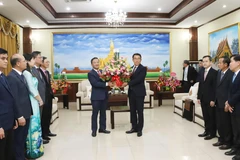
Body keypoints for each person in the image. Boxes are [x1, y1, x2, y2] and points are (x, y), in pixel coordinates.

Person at [7, 54, 32, 160]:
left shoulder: (21, 75)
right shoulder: (12, 77)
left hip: (26, 112)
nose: (26, 62)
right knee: (18, 139)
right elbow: (14, 99)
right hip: (21, 114)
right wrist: (19, 116)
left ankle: (22, 156)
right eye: (24, 61)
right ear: (18, 63)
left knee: (22, 138)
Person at [23, 53, 44, 159]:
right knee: (33, 125)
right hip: (32, 100)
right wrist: (39, 99)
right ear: (27, 61)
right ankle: (32, 150)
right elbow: (32, 89)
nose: (34, 62)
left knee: (36, 124)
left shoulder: (30, 72)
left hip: (34, 100)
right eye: (32, 60)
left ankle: (37, 148)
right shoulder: (26, 73)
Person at [122, 53, 147, 137]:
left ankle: (140, 129)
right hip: (131, 93)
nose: (136, 60)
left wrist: (127, 83)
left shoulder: (143, 69)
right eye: (135, 58)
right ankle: (134, 127)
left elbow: (139, 80)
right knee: (132, 111)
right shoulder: (131, 69)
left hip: (139, 93)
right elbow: (126, 77)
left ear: (140, 60)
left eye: (138, 58)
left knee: (140, 111)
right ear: (132, 60)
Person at [88, 57, 113, 137]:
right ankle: (94, 130)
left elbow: (107, 80)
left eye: (97, 62)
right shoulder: (90, 73)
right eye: (94, 62)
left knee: (103, 113)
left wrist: (111, 82)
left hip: (104, 96)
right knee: (95, 114)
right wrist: (106, 84)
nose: (96, 64)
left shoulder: (103, 72)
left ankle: (102, 128)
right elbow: (95, 84)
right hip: (96, 97)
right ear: (92, 64)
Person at [0, 48, 18, 160]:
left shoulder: (3, 77)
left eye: (6, 58)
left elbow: (9, 100)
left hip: (9, 121)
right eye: (2, 58)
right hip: (1, 124)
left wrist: (14, 118)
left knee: (9, 153)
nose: (6, 61)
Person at [212, 56, 233, 150]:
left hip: (225, 103)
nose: (218, 64)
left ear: (226, 64)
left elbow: (231, 90)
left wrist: (228, 103)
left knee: (226, 123)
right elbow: (216, 88)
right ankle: (221, 139)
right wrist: (214, 100)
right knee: (219, 122)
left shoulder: (231, 74)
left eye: (220, 63)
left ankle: (227, 142)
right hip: (218, 102)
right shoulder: (219, 72)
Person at [197, 55, 217, 140]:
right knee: (205, 116)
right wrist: (198, 97)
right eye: (203, 61)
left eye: (206, 61)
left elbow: (215, 88)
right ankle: (206, 131)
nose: (204, 63)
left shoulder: (214, 72)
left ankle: (212, 133)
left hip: (210, 99)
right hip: (202, 98)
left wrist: (214, 99)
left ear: (210, 62)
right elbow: (200, 85)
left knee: (211, 116)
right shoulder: (201, 72)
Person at [31, 51, 49, 144]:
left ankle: (41, 137)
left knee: (41, 119)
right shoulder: (32, 70)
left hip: (42, 98)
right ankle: (39, 139)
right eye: (39, 57)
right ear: (34, 59)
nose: (41, 58)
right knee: (38, 120)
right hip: (37, 99)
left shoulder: (39, 70)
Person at [225, 55, 240, 160]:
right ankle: (235, 148)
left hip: (238, 106)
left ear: (238, 62)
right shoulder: (233, 75)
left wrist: (230, 102)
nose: (229, 64)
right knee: (235, 129)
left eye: (231, 62)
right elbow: (230, 91)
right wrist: (228, 103)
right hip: (233, 106)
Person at [39, 56, 56, 138]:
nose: (48, 63)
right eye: (46, 62)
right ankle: (43, 134)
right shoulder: (38, 72)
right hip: (43, 96)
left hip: (49, 96)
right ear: (41, 63)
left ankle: (47, 131)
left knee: (48, 115)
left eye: (48, 62)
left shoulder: (47, 72)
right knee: (44, 116)